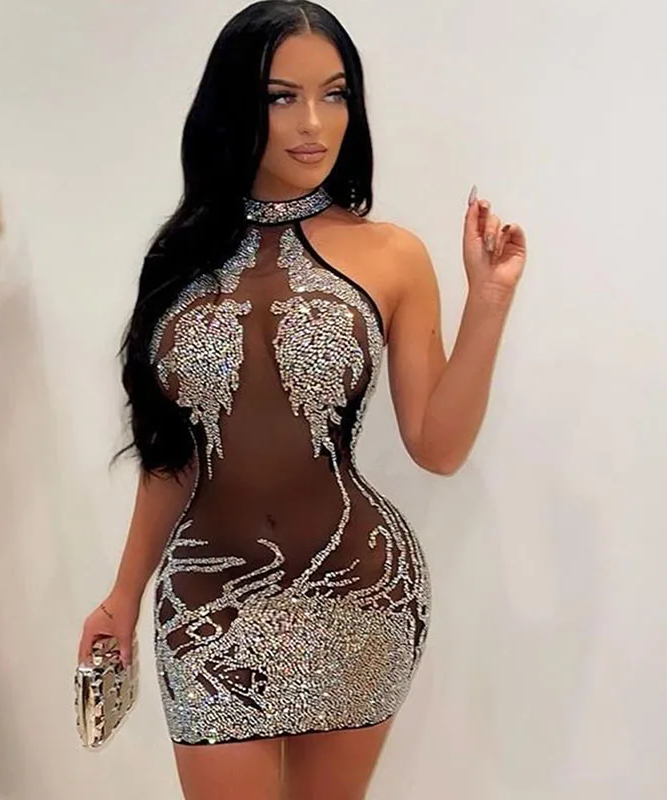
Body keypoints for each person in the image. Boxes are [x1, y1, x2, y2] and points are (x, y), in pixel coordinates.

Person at [79, 1, 527, 798]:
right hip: (205, 602)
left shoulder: (392, 255)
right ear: (234, 107)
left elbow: (437, 446)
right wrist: (122, 594)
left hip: (359, 593)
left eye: (335, 93)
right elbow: (171, 456)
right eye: (281, 97)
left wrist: (487, 304)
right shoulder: (178, 261)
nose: (314, 122)